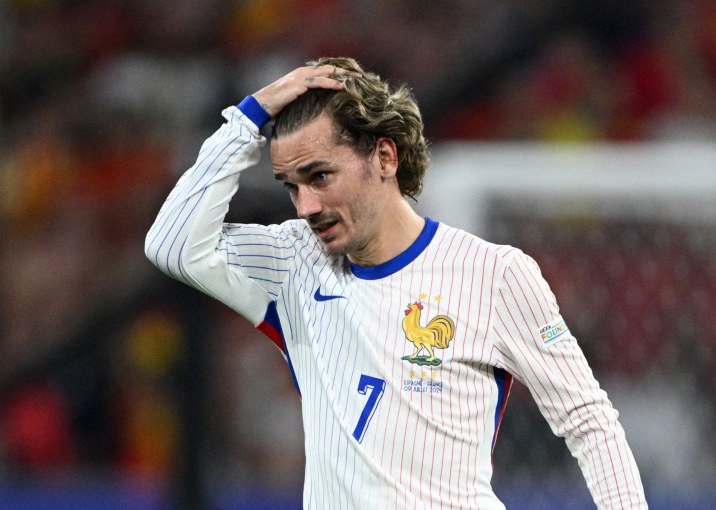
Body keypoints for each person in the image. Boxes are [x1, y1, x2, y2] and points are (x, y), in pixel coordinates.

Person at [145, 57, 647, 509]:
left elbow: (589, 422)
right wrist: (249, 117)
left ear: (384, 158)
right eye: (291, 187)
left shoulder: (496, 274)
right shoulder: (293, 261)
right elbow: (170, 244)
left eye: (320, 177)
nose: (306, 208)